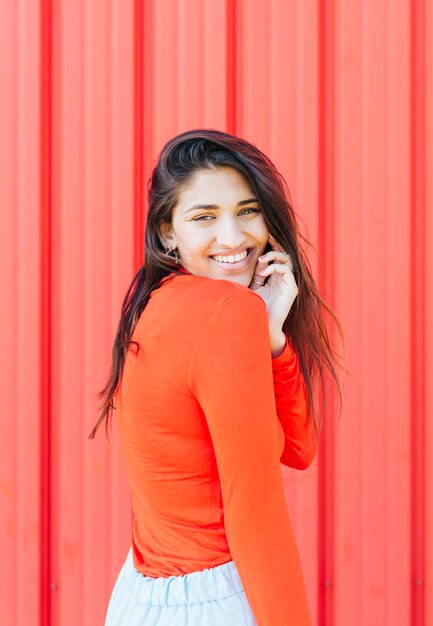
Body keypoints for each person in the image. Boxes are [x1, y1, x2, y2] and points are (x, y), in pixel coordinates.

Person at [89, 129, 344, 625]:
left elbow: (298, 446)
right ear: (168, 232)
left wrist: (272, 335)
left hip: (145, 597)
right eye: (204, 217)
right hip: (214, 601)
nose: (233, 238)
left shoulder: (155, 302)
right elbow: (257, 516)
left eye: (247, 211)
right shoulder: (223, 311)